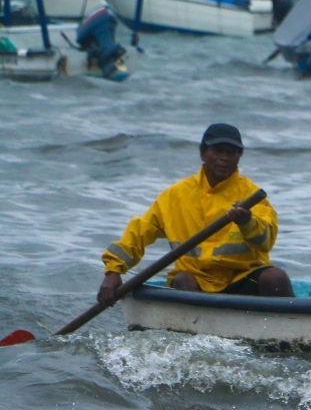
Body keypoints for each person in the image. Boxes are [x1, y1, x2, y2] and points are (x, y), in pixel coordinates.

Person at [97, 123, 294, 305]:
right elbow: (139, 232)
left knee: (276, 278)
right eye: (217, 151)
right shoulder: (175, 195)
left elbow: (265, 241)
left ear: (238, 158)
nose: (224, 158)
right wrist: (113, 271)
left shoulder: (251, 195)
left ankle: (287, 330)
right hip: (197, 279)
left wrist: (247, 222)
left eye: (231, 152)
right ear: (203, 153)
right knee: (183, 280)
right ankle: (198, 333)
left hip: (243, 276)